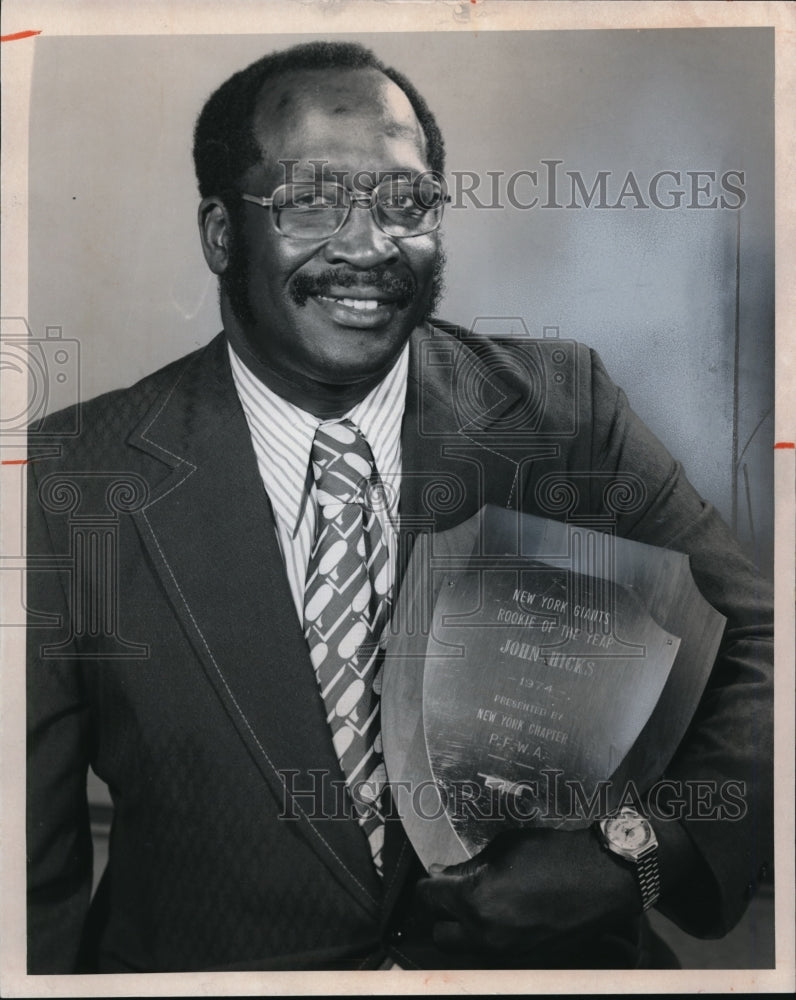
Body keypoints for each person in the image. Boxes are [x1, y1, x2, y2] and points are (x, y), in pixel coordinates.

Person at [26, 40, 773, 973]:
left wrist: (640, 860)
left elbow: (764, 639)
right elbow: (27, 883)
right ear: (222, 233)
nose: (369, 245)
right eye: (310, 200)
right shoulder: (67, 480)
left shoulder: (561, 411)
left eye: (406, 201)